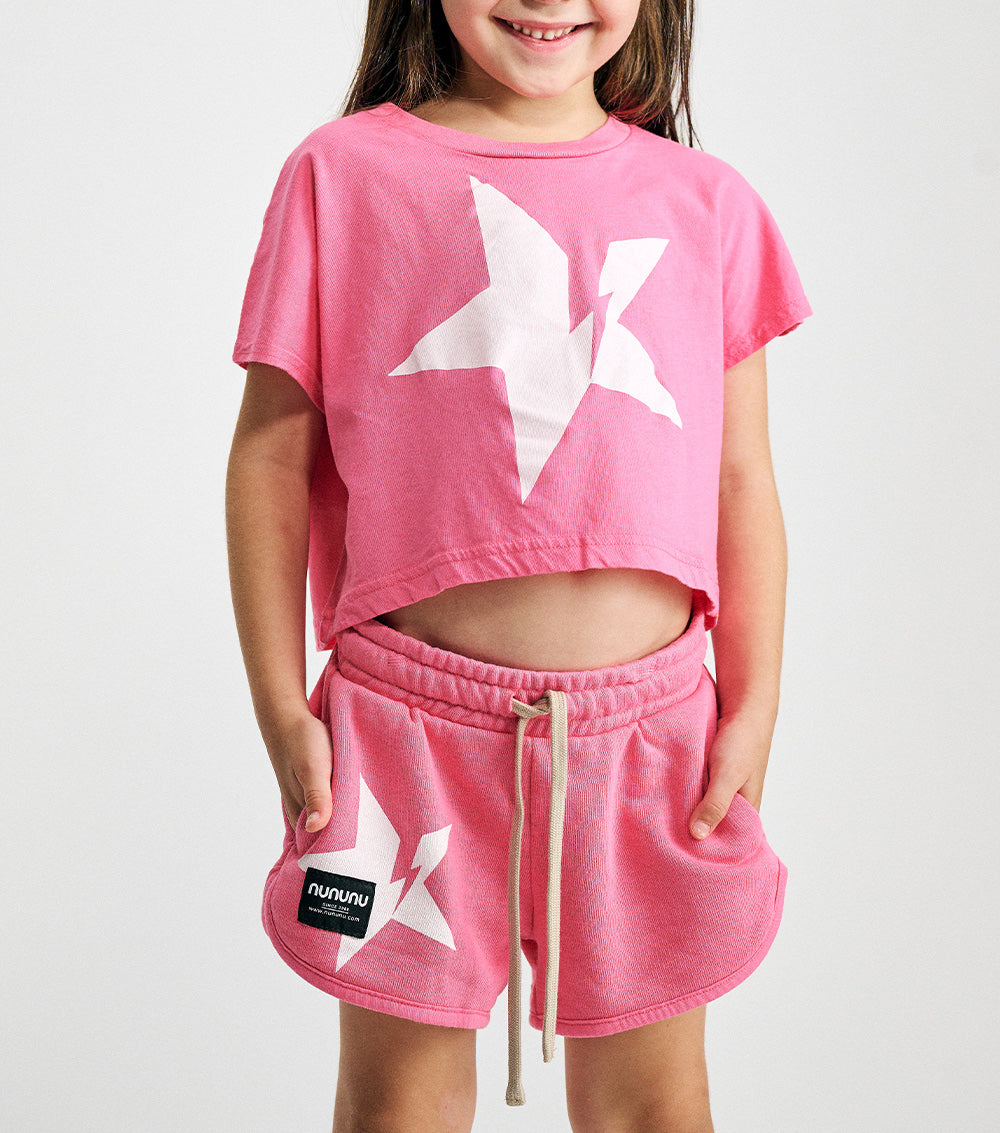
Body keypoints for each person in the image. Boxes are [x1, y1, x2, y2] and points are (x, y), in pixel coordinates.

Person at [225, 1, 813, 1129]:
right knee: (398, 1103)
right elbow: (269, 458)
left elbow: (742, 481)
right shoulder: (340, 177)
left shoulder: (707, 203)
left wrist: (756, 704)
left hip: (647, 743)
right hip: (404, 743)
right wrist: (279, 706)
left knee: (654, 1105)